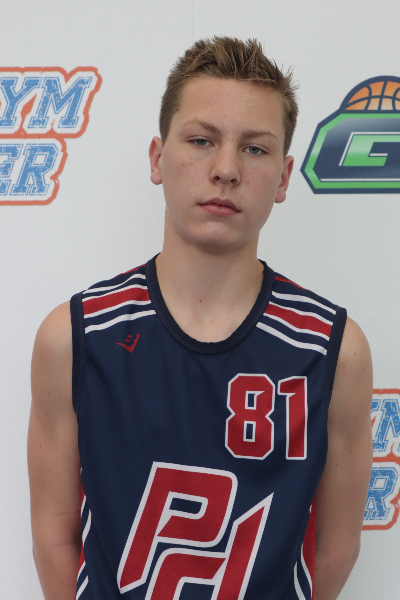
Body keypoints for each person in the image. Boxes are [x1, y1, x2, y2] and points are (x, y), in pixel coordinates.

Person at [28, 37, 373, 600]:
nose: (226, 169)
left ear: (284, 178)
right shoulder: (75, 337)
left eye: (255, 149)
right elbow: (53, 535)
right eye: (201, 140)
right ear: (157, 158)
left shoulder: (333, 351)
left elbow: (336, 548)